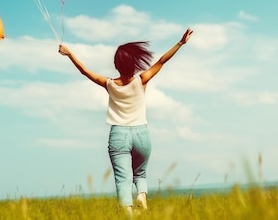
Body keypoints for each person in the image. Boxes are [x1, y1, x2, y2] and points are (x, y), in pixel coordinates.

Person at [58, 28, 193, 216]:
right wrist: (180, 43)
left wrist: (69, 54)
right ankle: (142, 196)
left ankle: (128, 215)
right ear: (135, 64)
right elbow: (162, 60)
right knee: (140, 174)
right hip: (141, 134)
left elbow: (84, 72)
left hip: (118, 135)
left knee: (123, 179)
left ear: (116, 65)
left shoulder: (109, 84)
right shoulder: (142, 79)